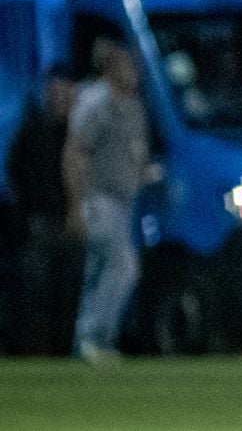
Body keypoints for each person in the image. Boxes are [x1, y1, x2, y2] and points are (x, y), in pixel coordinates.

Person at [64, 39, 150, 364]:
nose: (134, 71)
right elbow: (75, 151)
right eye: (128, 65)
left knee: (99, 272)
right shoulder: (96, 101)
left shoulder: (130, 103)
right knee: (123, 266)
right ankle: (94, 336)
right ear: (112, 67)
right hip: (100, 199)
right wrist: (76, 205)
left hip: (124, 202)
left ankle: (85, 343)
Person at [6, 64, 82, 354]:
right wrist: (30, 204)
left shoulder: (77, 130)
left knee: (67, 292)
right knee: (35, 291)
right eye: (57, 89)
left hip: (70, 222)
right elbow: (15, 169)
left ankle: (62, 350)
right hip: (40, 221)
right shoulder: (35, 127)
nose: (61, 95)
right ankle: (33, 351)